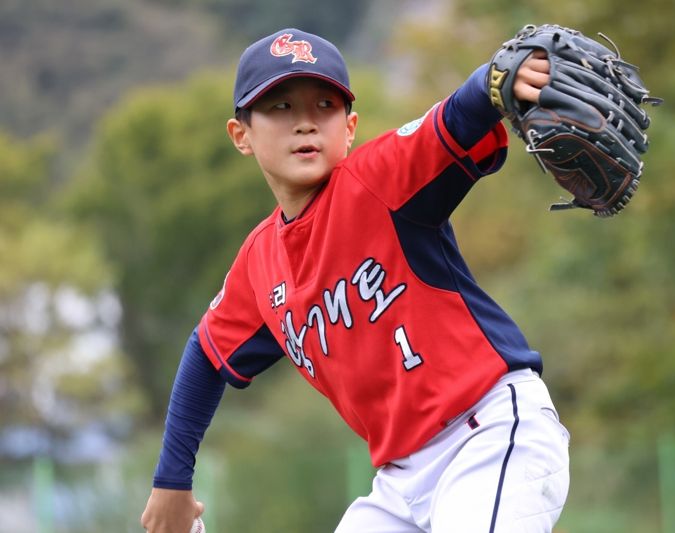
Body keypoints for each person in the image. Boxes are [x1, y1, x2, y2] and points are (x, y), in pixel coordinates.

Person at [140, 27, 570, 533]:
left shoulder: (377, 180)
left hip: (491, 433)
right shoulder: (260, 263)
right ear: (242, 135)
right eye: (279, 107)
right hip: (402, 481)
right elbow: (207, 357)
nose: (305, 123)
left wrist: (493, 82)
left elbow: (451, 120)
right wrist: (172, 480)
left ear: (349, 128)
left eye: (324, 104)